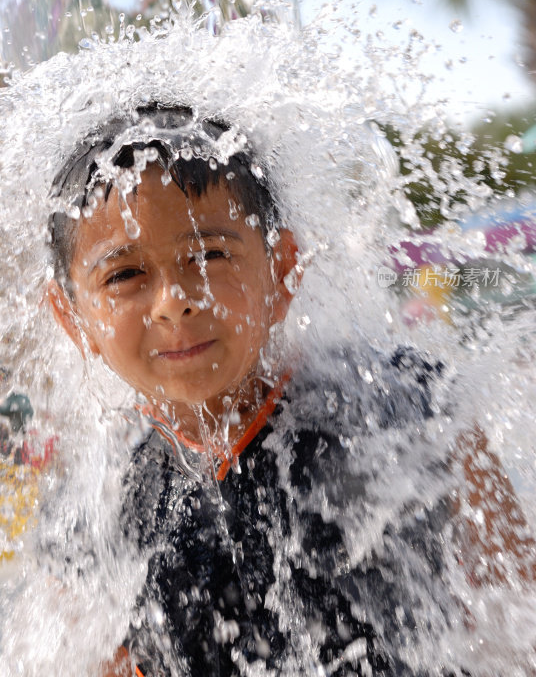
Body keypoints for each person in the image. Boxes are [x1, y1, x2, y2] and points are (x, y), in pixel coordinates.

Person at [46, 104, 535, 676]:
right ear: (74, 319)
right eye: (125, 275)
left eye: (209, 254)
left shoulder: (404, 412)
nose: (174, 299)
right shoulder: (100, 505)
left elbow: (517, 607)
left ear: (282, 273)